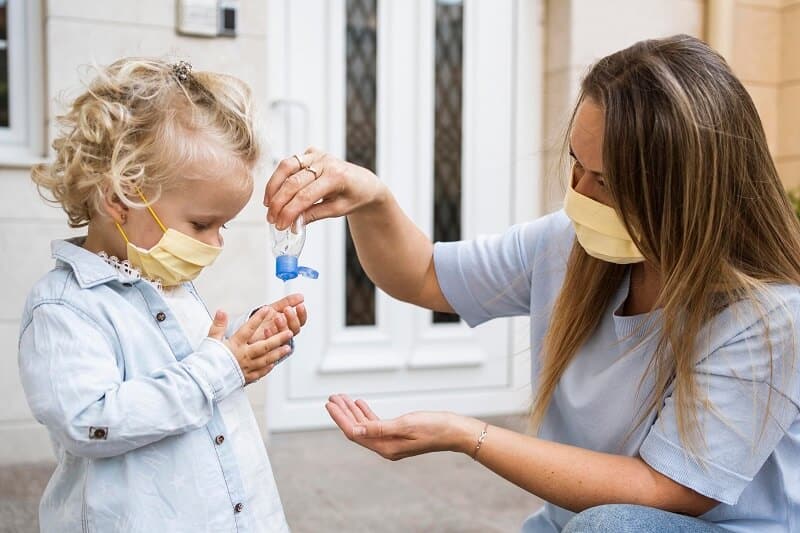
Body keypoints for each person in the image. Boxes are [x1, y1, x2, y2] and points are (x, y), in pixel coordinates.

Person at [263, 34, 800, 532]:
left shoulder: (768, 317)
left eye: (606, 180)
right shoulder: (569, 246)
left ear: (686, 191)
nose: (578, 193)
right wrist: (372, 199)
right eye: (575, 163)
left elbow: (667, 489)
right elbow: (423, 275)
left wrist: (466, 435)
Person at [19, 58, 306, 532]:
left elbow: (186, 362)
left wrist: (248, 339)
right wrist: (223, 365)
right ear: (120, 198)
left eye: (223, 225)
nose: (216, 243)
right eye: (201, 223)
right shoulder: (66, 308)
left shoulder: (163, 282)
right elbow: (91, 420)